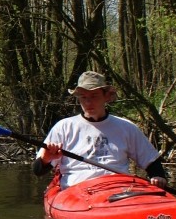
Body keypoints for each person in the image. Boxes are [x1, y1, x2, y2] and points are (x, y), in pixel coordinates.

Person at [32, 71, 168, 189]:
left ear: (106, 97)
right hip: (76, 191)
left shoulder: (126, 127)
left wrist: (158, 176)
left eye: (94, 96)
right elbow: (38, 170)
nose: (88, 102)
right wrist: (45, 159)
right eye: (84, 97)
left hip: (118, 187)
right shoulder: (64, 127)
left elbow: (151, 161)